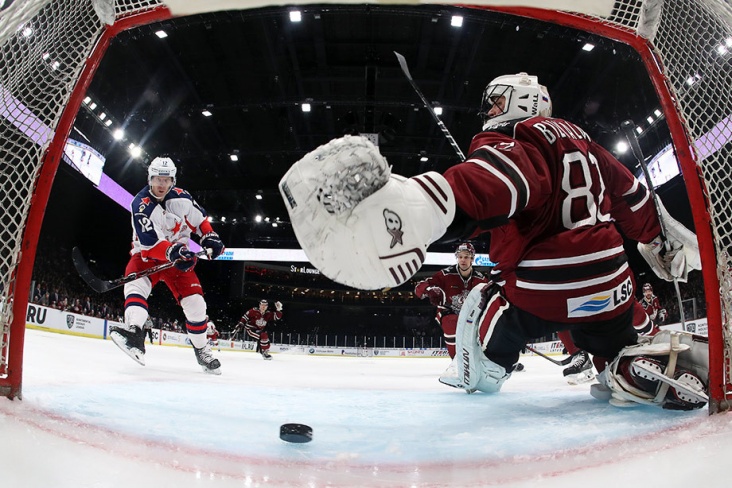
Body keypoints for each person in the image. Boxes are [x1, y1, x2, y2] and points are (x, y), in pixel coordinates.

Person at [280, 72, 705, 410]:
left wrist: (425, 205)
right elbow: (632, 197)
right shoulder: (587, 142)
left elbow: (499, 181)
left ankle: (487, 371)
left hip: (546, 288)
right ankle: (628, 366)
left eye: (497, 101)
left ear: (522, 102)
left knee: (485, 299)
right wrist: (660, 240)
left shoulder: (520, 138)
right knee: (611, 338)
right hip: (612, 284)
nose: (489, 110)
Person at [109, 157, 226, 374]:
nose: (161, 184)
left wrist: (210, 236)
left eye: (166, 179)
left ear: (172, 181)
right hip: (149, 256)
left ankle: (202, 351)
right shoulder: (140, 204)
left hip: (177, 260)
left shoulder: (183, 198)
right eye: (157, 179)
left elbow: (200, 221)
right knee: (135, 287)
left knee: (197, 305)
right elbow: (150, 242)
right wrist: (175, 252)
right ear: (149, 178)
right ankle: (134, 334)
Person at [414, 242, 488, 359]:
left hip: (471, 316)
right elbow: (419, 287)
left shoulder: (481, 279)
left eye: (466, 257)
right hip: (448, 313)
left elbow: (491, 296)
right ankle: (457, 362)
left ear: (472, 258)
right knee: (452, 322)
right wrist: (429, 290)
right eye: (460, 256)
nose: (463, 260)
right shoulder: (445, 275)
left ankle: (496, 360)